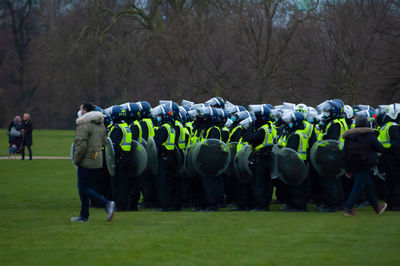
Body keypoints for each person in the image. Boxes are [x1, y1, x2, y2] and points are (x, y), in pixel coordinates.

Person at [71, 102, 115, 222]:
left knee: (83, 187)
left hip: (86, 159)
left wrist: (76, 159)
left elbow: (81, 145)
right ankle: (84, 215)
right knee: (85, 187)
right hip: (97, 158)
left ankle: (106, 204)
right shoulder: (100, 123)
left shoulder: (84, 124)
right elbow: (104, 141)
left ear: (85, 111)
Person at [343, 116, 387, 216]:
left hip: (353, 163)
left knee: (367, 185)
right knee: (358, 186)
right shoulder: (370, 135)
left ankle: (377, 208)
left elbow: (345, 154)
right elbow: (380, 148)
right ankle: (349, 208)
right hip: (365, 163)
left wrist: (347, 169)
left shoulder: (349, 136)